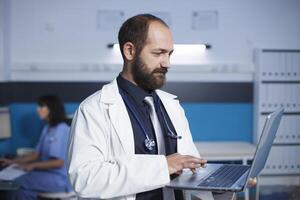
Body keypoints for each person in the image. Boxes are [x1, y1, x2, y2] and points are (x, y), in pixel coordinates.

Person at [68, 14, 255, 200]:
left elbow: (189, 169)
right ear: (129, 51)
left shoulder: (172, 106)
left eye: (169, 54)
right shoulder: (94, 109)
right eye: (158, 53)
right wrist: (163, 167)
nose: (167, 63)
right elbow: (85, 179)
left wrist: (219, 188)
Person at [0, 95, 72, 199]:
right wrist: (12, 162)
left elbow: (58, 162)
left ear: (52, 109)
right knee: (19, 192)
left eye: (41, 107)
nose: (37, 110)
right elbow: (35, 155)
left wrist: (33, 166)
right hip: (46, 173)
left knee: (19, 182)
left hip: (59, 178)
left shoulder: (61, 130)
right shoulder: (47, 128)